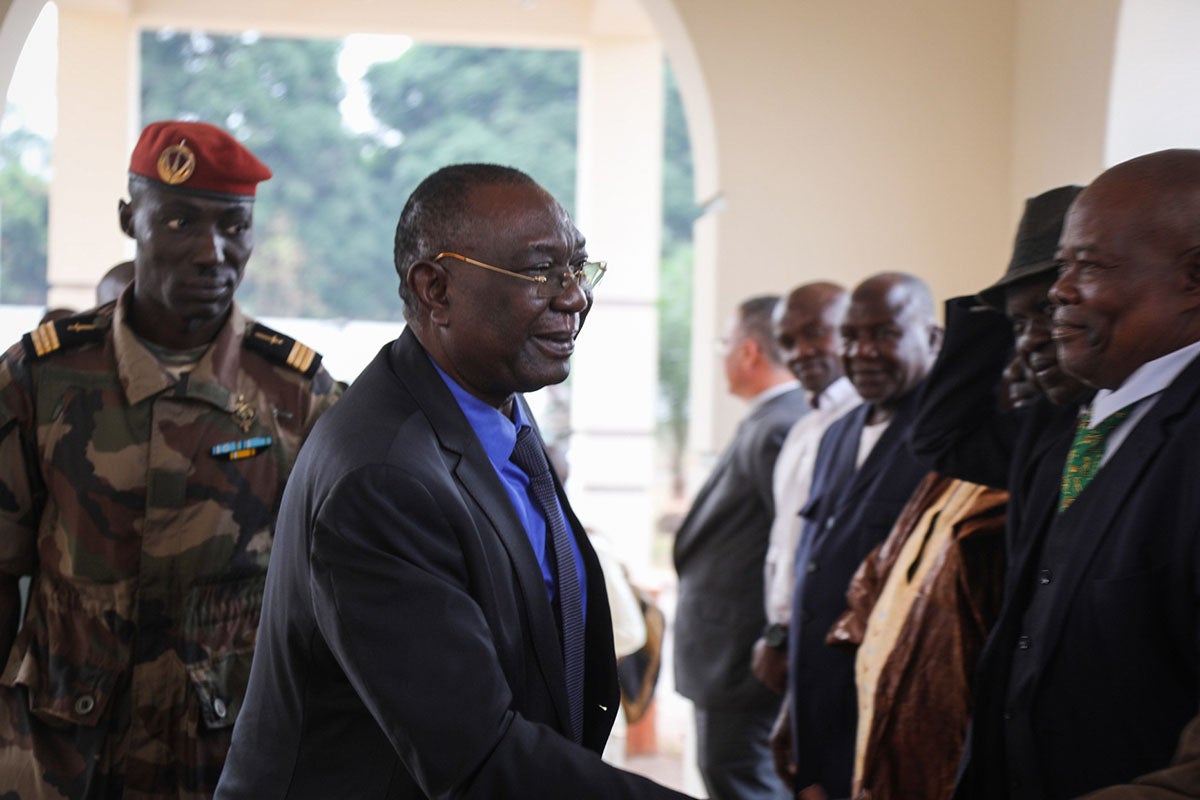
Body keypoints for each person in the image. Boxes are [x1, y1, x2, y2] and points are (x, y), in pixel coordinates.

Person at [216, 164, 697, 799]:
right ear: (436, 289)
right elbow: (478, 757)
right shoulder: (383, 479)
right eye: (541, 272)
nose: (575, 297)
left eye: (578, 267)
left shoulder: (494, 399)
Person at [0, 120, 341, 797]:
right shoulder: (42, 377)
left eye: (234, 227)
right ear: (131, 219)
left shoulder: (296, 394)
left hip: (223, 756)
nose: (212, 252)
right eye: (180, 221)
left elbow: (330, 590)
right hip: (55, 751)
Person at [951, 149, 1200, 799]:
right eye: (1062, 265)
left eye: (1088, 266)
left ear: (1194, 279)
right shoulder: (1081, 426)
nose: (1059, 291)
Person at [773, 272, 941, 800]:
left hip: (893, 719)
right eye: (850, 336)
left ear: (932, 338)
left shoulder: (946, 441)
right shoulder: (837, 433)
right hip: (820, 709)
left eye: (885, 334)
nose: (862, 352)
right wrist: (795, 706)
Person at [673, 295, 807, 800]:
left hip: (743, 658)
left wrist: (776, 638)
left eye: (724, 343)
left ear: (749, 351)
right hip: (727, 656)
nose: (723, 354)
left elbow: (792, 548)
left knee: (743, 780)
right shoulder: (770, 418)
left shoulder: (780, 425)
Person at [752, 282, 856, 696]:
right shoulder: (803, 430)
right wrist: (777, 635)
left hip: (839, 644)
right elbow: (786, 546)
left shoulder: (866, 423)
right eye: (787, 342)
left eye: (815, 333)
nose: (801, 352)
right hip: (791, 641)